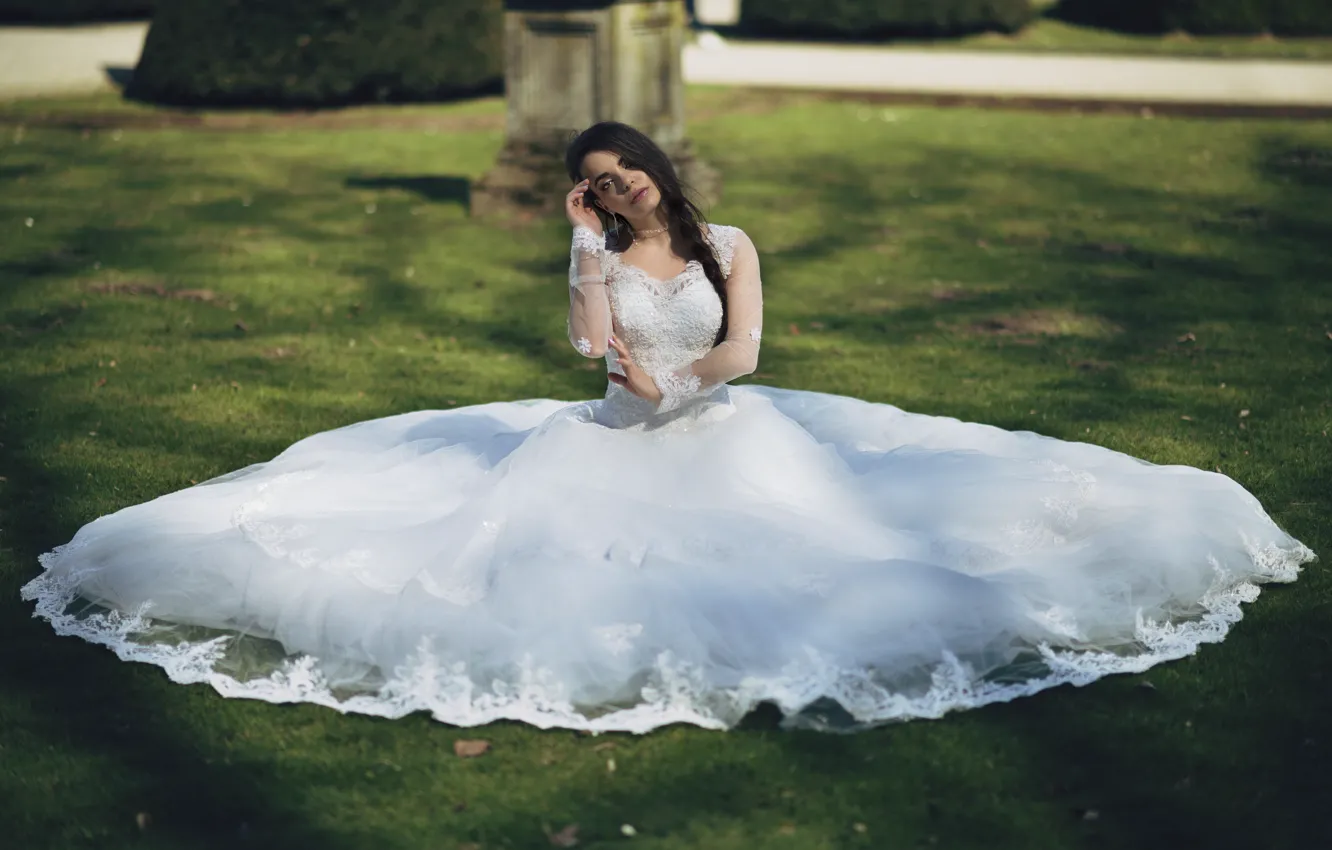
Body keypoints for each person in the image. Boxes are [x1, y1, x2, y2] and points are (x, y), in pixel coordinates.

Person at [23, 122, 1314, 733]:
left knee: (842, 549)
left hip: (717, 421)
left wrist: (677, 391)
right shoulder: (595, 248)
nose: (618, 185)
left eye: (625, 170)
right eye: (598, 183)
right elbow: (586, 345)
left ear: (655, 167)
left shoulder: (728, 241)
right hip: (604, 432)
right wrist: (588, 262)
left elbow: (746, 351)